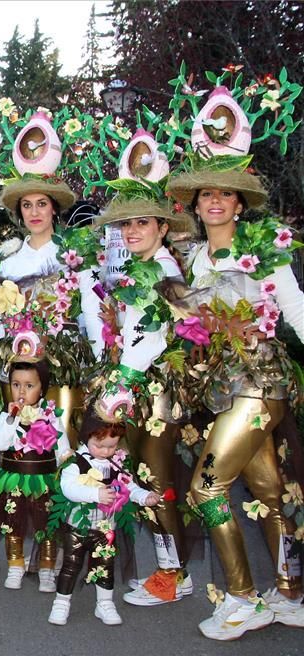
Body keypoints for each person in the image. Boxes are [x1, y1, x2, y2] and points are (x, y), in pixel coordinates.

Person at [163, 85, 304, 640]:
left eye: (225, 194)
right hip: (222, 389)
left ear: (239, 203)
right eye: (205, 195)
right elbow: (180, 319)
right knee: (269, 490)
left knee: (206, 490)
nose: (214, 202)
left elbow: (294, 308)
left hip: (260, 384)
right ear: (195, 205)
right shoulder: (193, 257)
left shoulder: (265, 249)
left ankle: (243, 598)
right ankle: (290, 593)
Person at [91, 130, 198, 607]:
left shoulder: (163, 271)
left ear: (161, 227)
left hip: (154, 392)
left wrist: (120, 381)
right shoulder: (143, 269)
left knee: (156, 483)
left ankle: (173, 576)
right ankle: (171, 570)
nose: (132, 231)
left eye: (143, 223)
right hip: (140, 389)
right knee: (147, 480)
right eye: (127, 224)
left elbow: (154, 338)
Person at [0, 111, 103, 448]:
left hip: (64, 362)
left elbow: (92, 313)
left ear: (54, 208)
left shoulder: (75, 253)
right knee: (21, 447)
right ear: (19, 210)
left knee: (62, 443)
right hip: (20, 366)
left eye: (41, 203)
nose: (34, 212)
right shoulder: (8, 262)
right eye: (27, 205)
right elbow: (0, 320)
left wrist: (97, 367)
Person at [48, 418, 160, 626]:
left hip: (106, 528)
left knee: (105, 566)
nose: (105, 451)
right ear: (86, 437)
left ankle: (105, 603)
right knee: (71, 566)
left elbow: (129, 486)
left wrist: (144, 496)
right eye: (99, 446)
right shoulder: (76, 462)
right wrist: (95, 494)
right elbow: (69, 488)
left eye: (112, 446)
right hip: (78, 527)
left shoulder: (116, 462)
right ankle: (62, 602)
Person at [0, 357, 69, 592]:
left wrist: (68, 461)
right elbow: (0, 443)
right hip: (14, 478)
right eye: (15, 384)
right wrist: (12, 418)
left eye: (29, 386)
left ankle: (46, 570)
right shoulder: (6, 417)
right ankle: (15, 566)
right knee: (13, 524)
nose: (21, 391)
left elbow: (62, 448)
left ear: (42, 387)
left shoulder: (51, 416)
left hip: (43, 480)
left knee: (47, 525)